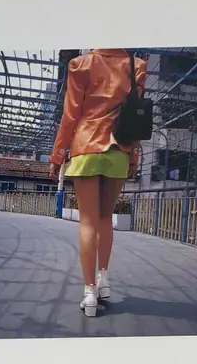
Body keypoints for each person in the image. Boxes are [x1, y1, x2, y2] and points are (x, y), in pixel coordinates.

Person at [48, 49, 146, 317]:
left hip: (86, 147)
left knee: (88, 222)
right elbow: (136, 114)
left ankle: (89, 292)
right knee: (105, 218)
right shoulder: (136, 66)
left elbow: (70, 115)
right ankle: (104, 280)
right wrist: (133, 156)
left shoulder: (81, 65)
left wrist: (57, 156)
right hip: (119, 150)